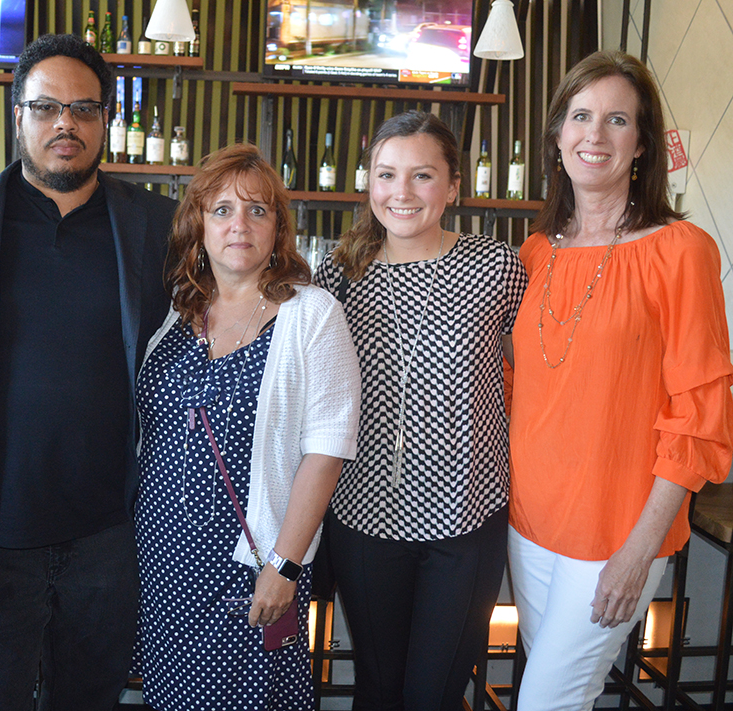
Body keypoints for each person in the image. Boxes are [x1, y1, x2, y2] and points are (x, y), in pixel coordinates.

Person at [0, 34, 177, 710]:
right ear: (18, 116)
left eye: (83, 108)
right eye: (46, 107)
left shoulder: (160, 223)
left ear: (106, 119)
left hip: (108, 535)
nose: (64, 123)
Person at [506, 50, 733, 711]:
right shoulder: (535, 252)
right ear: (557, 136)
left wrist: (641, 549)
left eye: (617, 120)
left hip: (617, 531)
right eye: (581, 116)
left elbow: (699, 412)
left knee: (544, 702)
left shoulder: (681, 251)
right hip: (529, 525)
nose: (595, 135)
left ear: (642, 144)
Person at [134, 143, 360, 710]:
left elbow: (328, 449)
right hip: (161, 561)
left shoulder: (311, 314)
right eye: (223, 210)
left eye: (257, 210)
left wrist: (285, 565)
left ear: (278, 229)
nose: (240, 224)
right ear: (199, 225)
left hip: (251, 563)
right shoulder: (174, 309)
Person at [314, 111, 527, 711]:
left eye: (422, 175)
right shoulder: (340, 272)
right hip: (363, 518)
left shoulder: (497, 266)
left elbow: (538, 377)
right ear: (369, 183)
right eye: (386, 174)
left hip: (466, 521)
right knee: (378, 689)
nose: (401, 192)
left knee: (434, 695)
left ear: (453, 186)